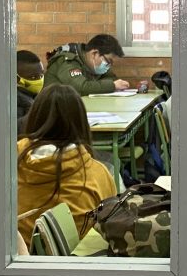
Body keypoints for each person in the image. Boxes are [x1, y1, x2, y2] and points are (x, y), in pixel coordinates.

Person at [17, 83, 117, 247]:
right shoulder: (97, 174)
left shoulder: (9, 163)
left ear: (33, 118)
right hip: (76, 258)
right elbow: (111, 224)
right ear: (80, 122)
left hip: (18, 256)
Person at [44, 33, 131, 95]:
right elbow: (81, 88)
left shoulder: (93, 66)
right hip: (54, 109)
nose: (109, 66)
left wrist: (96, 86)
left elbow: (111, 78)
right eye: (108, 61)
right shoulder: (68, 61)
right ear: (94, 54)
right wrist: (112, 86)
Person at [16, 50, 44, 136]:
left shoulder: (35, 96)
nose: (39, 80)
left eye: (41, 75)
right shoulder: (15, 103)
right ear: (17, 79)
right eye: (33, 77)